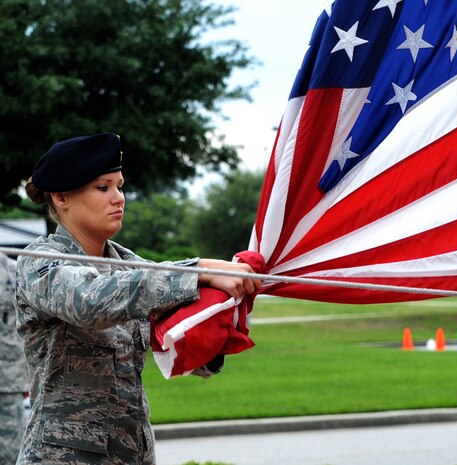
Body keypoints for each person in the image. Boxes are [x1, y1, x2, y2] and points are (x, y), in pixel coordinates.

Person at [14, 132, 262, 464]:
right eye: (103, 188)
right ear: (61, 197)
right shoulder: (39, 262)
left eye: (120, 186)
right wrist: (197, 269)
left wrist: (220, 311)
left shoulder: (130, 264)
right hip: (63, 455)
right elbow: (90, 302)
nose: (118, 198)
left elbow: (186, 350)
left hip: (134, 453)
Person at [0, 252, 30, 464]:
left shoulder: (15, 270)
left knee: (12, 453)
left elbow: (26, 328)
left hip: (9, 380)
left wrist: (26, 377)